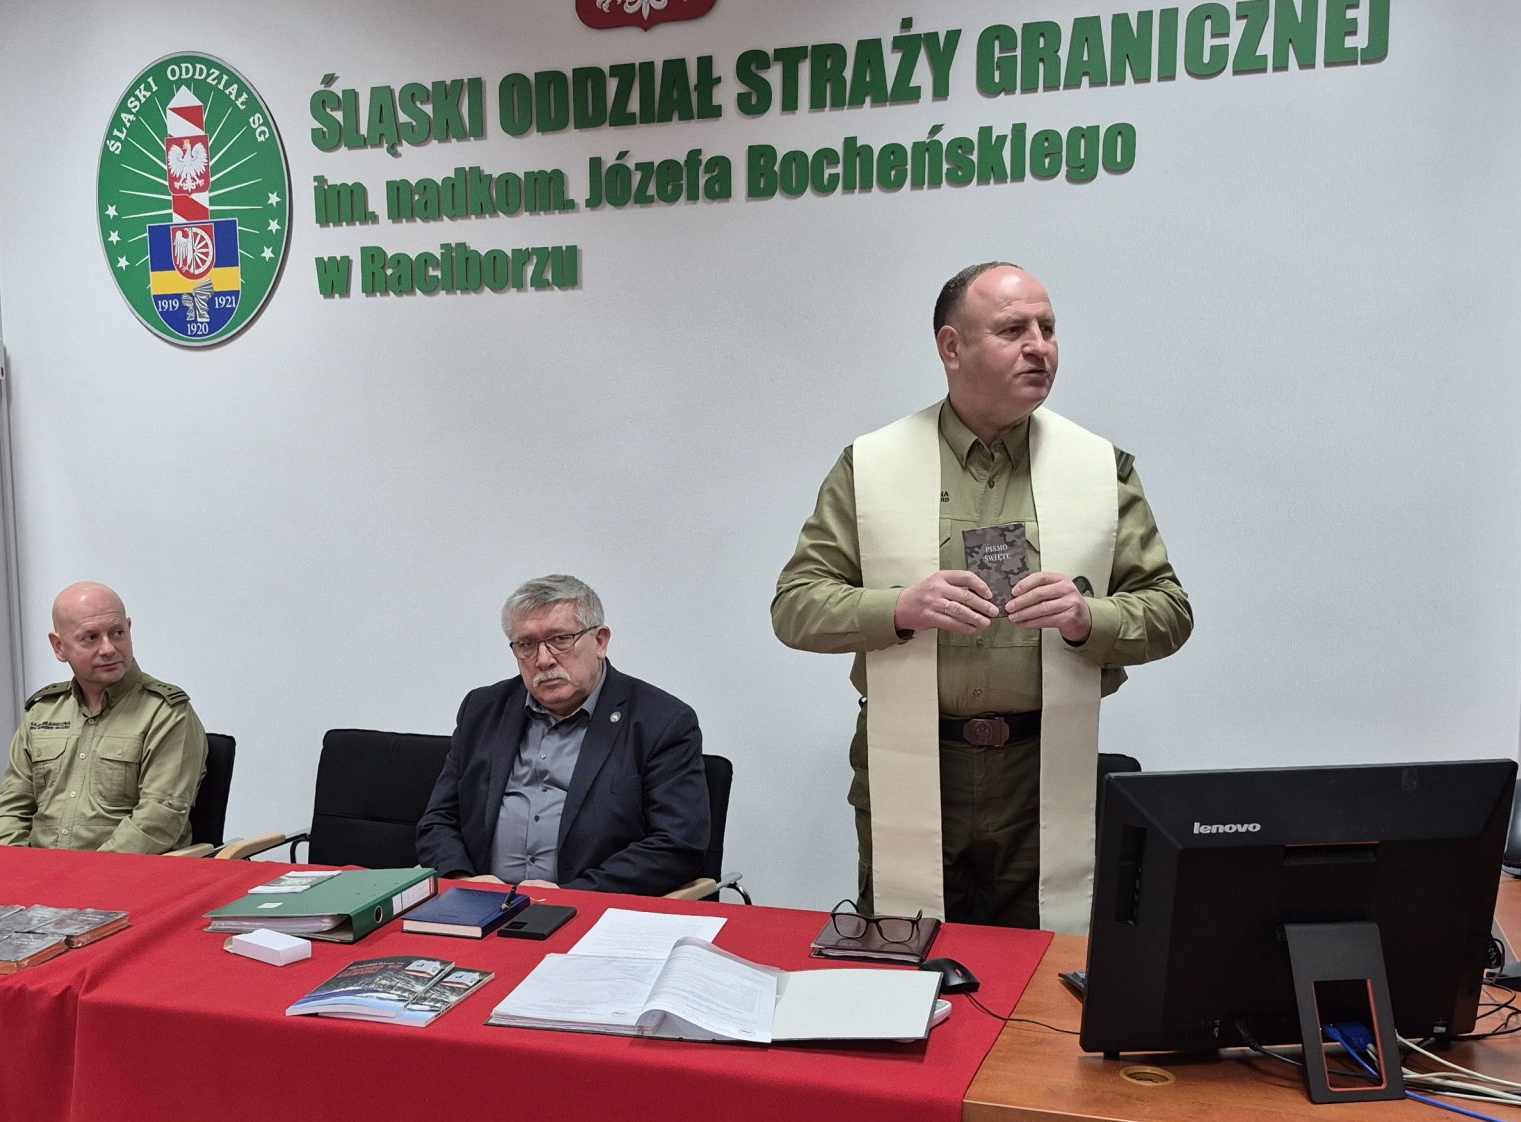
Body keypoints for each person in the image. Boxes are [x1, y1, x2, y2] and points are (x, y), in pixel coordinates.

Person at [772, 261, 1191, 930]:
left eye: (1048, 328)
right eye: (1013, 330)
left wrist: (1088, 618)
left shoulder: (1099, 468)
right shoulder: (871, 466)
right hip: (913, 762)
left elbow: (1169, 610)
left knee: (1044, 967)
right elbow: (795, 606)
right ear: (952, 347)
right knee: (912, 962)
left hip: (1042, 768)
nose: (1039, 347)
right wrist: (897, 608)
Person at [416, 574, 711, 895]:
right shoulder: (483, 710)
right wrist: (462, 881)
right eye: (526, 645)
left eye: (560, 639)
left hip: (589, 904)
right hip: (481, 903)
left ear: (600, 641)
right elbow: (438, 820)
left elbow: (676, 844)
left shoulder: (660, 721)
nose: (543, 660)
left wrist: (574, 894)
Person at [0, 582, 207, 853]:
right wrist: (12, 863)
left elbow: (158, 821)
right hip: (36, 872)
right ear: (59, 647)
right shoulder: (43, 712)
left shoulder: (165, 713)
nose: (108, 648)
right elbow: (12, 806)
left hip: (124, 872)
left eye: (118, 633)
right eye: (91, 637)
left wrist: (87, 872)